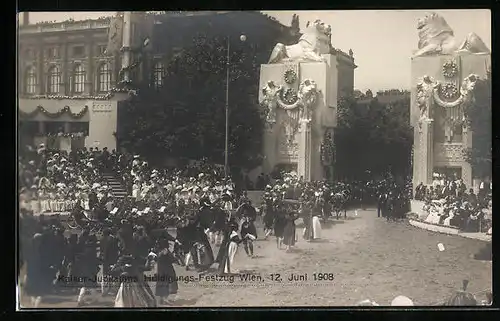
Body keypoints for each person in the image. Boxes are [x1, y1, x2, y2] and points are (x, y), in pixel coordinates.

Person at [154, 238, 179, 305]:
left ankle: (161, 299)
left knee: (161, 283)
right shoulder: (166, 250)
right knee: (168, 284)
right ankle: (165, 299)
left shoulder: (158, 251)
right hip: (167, 270)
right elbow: (172, 259)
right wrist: (176, 258)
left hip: (160, 270)